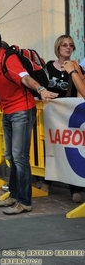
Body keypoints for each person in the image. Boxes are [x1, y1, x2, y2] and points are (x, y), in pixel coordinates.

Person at [0, 27, 58, 215]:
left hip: (21, 110)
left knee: (20, 157)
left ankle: (24, 201)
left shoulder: (8, 59)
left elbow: (25, 78)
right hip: (7, 111)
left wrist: (41, 90)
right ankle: (13, 194)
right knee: (11, 156)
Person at [40, 35, 84, 203]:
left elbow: (81, 90)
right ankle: (47, 181)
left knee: (70, 149)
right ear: (58, 47)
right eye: (64, 45)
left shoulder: (77, 67)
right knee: (50, 148)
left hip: (69, 116)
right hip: (52, 117)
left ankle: (75, 189)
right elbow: (41, 85)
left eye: (71, 45)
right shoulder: (49, 67)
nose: (68, 48)